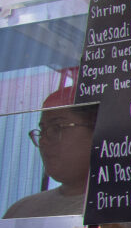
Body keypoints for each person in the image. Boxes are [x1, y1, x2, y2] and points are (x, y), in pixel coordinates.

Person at [3, 87, 96, 218]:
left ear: (97, 131)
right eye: (42, 130)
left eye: (57, 128)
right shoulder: (20, 211)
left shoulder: (120, 206)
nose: (43, 141)